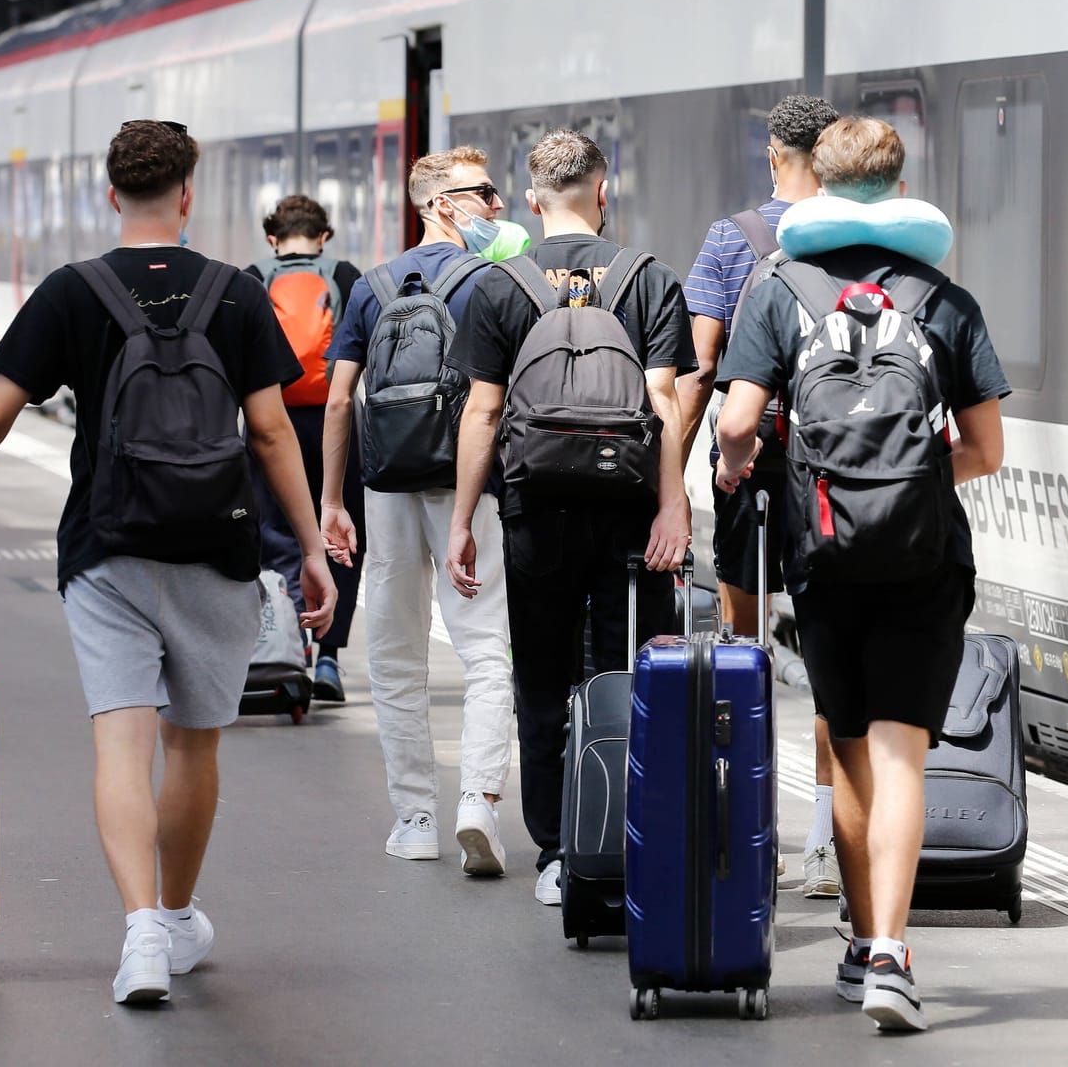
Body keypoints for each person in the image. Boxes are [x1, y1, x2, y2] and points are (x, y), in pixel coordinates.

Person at [0, 120, 337, 1007]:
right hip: (215, 548)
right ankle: (179, 917)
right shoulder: (233, 294)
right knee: (191, 745)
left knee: (121, 738)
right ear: (188, 193)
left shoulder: (74, 291)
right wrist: (310, 548)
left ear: (112, 194)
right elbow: (267, 431)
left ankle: (141, 931)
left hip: (107, 546)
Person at [714, 117, 1008, 1033]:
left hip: (823, 556)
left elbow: (734, 425)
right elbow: (987, 452)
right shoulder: (943, 299)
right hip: (924, 560)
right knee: (900, 752)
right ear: (898, 182)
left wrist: (748, 472)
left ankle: (855, 941)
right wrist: (914, 479)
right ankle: (892, 954)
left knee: (846, 751)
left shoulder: (777, 290)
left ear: (816, 183)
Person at [444, 129, 694, 907]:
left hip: (536, 510)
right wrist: (674, 507)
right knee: (626, 675)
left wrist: (461, 521)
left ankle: (557, 851)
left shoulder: (499, 285)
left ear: (529, 200)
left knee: (543, 682)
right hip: (628, 516)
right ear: (603, 190)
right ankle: (628, 835)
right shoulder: (646, 278)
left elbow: (482, 412)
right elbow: (664, 401)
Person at [318, 147, 516, 874]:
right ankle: (480, 803)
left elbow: (342, 398)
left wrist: (333, 499)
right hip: (470, 485)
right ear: (439, 204)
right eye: (483, 194)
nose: (496, 207)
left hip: (388, 481)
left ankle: (415, 815)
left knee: (394, 655)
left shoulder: (370, 288)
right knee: (486, 648)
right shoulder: (496, 282)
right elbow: (499, 402)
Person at [677, 93, 843, 899]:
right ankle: (823, 838)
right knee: (828, 650)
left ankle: (749, 827)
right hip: (835, 472)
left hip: (747, 465)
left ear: (775, 154)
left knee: (741, 644)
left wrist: (667, 479)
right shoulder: (861, 237)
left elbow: (701, 368)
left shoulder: (732, 238)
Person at [242, 195, 365, 701]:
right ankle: (330, 658)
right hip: (336, 423)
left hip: (271, 420)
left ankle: (289, 649)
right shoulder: (346, 275)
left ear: (273, 238)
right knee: (340, 536)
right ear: (324, 236)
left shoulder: (252, 276)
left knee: (275, 532)